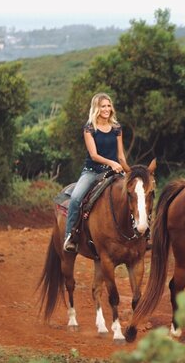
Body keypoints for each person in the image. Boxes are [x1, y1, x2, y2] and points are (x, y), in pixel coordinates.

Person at [63, 93, 128, 252]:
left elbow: (120, 156)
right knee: (76, 198)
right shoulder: (90, 128)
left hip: (114, 172)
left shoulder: (117, 128)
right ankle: (70, 236)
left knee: (136, 194)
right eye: (103, 106)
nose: (106, 109)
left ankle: (140, 234)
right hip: (93, 171)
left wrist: (130, 171)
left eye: (108, 105)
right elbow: (94, 155)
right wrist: (112, 163)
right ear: (96, 108)